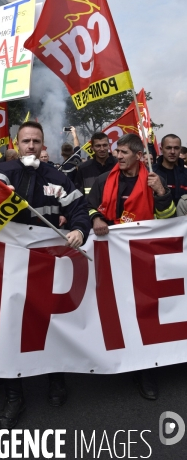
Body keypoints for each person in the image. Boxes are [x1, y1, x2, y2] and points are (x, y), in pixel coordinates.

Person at [0, 120, 90, 428]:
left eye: (36, 141)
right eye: (26, 141)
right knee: (7, 328)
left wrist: (79, 231)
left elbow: (80, 210)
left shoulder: (57, 178)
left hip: (44, 265)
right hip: (5, 265)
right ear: (16, 145)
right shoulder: (0, 174)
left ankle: (55, 379)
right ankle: (13, 395)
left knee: (49, 324)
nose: (31, 146)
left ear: (43, 145)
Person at [87, 133, 176, 400]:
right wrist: (96, 220)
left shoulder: (153, 180)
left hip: (144, 259)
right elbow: (89, 207)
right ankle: (123, 360)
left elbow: (168, 218)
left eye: (124, 152)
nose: (118, 156)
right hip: (113, 258)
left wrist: (160, 192)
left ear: (139, 155)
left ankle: (147, 372)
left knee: (145, 312)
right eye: (118, 151)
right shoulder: (105, 180)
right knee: (119, 311)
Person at [75, 132, 117, 196]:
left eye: (105, 145)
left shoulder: (119, 166)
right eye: (98, 146)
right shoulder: (83, 169)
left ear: (109, 146)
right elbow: (79, 195)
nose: (102, 149)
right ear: (92, 148)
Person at [153, 134, 187, 205]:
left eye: (176, 148)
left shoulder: (185, 174)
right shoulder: (151, 172)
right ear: (161, 150)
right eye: (168, 148)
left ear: (180, 150)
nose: (172, 152)